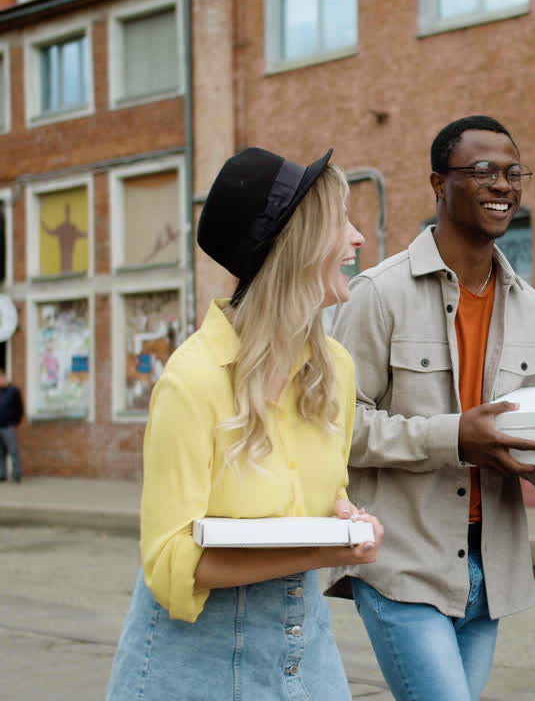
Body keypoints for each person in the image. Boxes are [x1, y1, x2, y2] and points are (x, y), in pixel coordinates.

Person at [325, 115, 535, 700]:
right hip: (402, 562)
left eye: (514, 173)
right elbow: (336, 428)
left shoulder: (534, 310)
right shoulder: (377, 294)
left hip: (492, 569)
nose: (503, 185)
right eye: (483, 171)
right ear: (439, 184)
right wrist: (454, 436)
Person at [106, 147, 382, 701]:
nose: (358, 239)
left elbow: (321, 495)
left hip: (305, 654)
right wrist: (325, 551)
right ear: (296, 246)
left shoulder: (335, 369)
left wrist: (342, 517)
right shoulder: (193, 380)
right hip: (193, 666)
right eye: (341, 223)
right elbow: (168, 564)